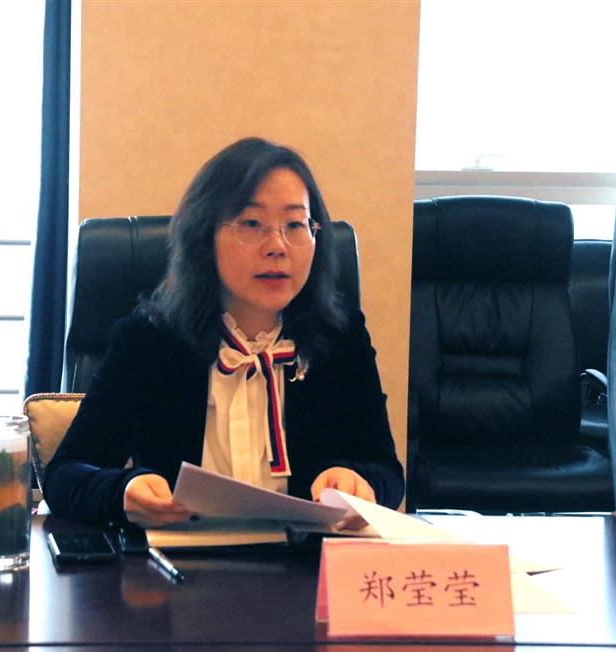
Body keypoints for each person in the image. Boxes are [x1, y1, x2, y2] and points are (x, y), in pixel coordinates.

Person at [44, 137, 405, 526]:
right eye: (252, 223)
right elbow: (65, 476)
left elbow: (386, 473)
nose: (277, 246)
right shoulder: (148, 342)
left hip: (306, 561)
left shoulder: (340, 339)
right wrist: (123, 490)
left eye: (295, 225)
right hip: (178, 561)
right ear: (204, 236)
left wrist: (362, 485)